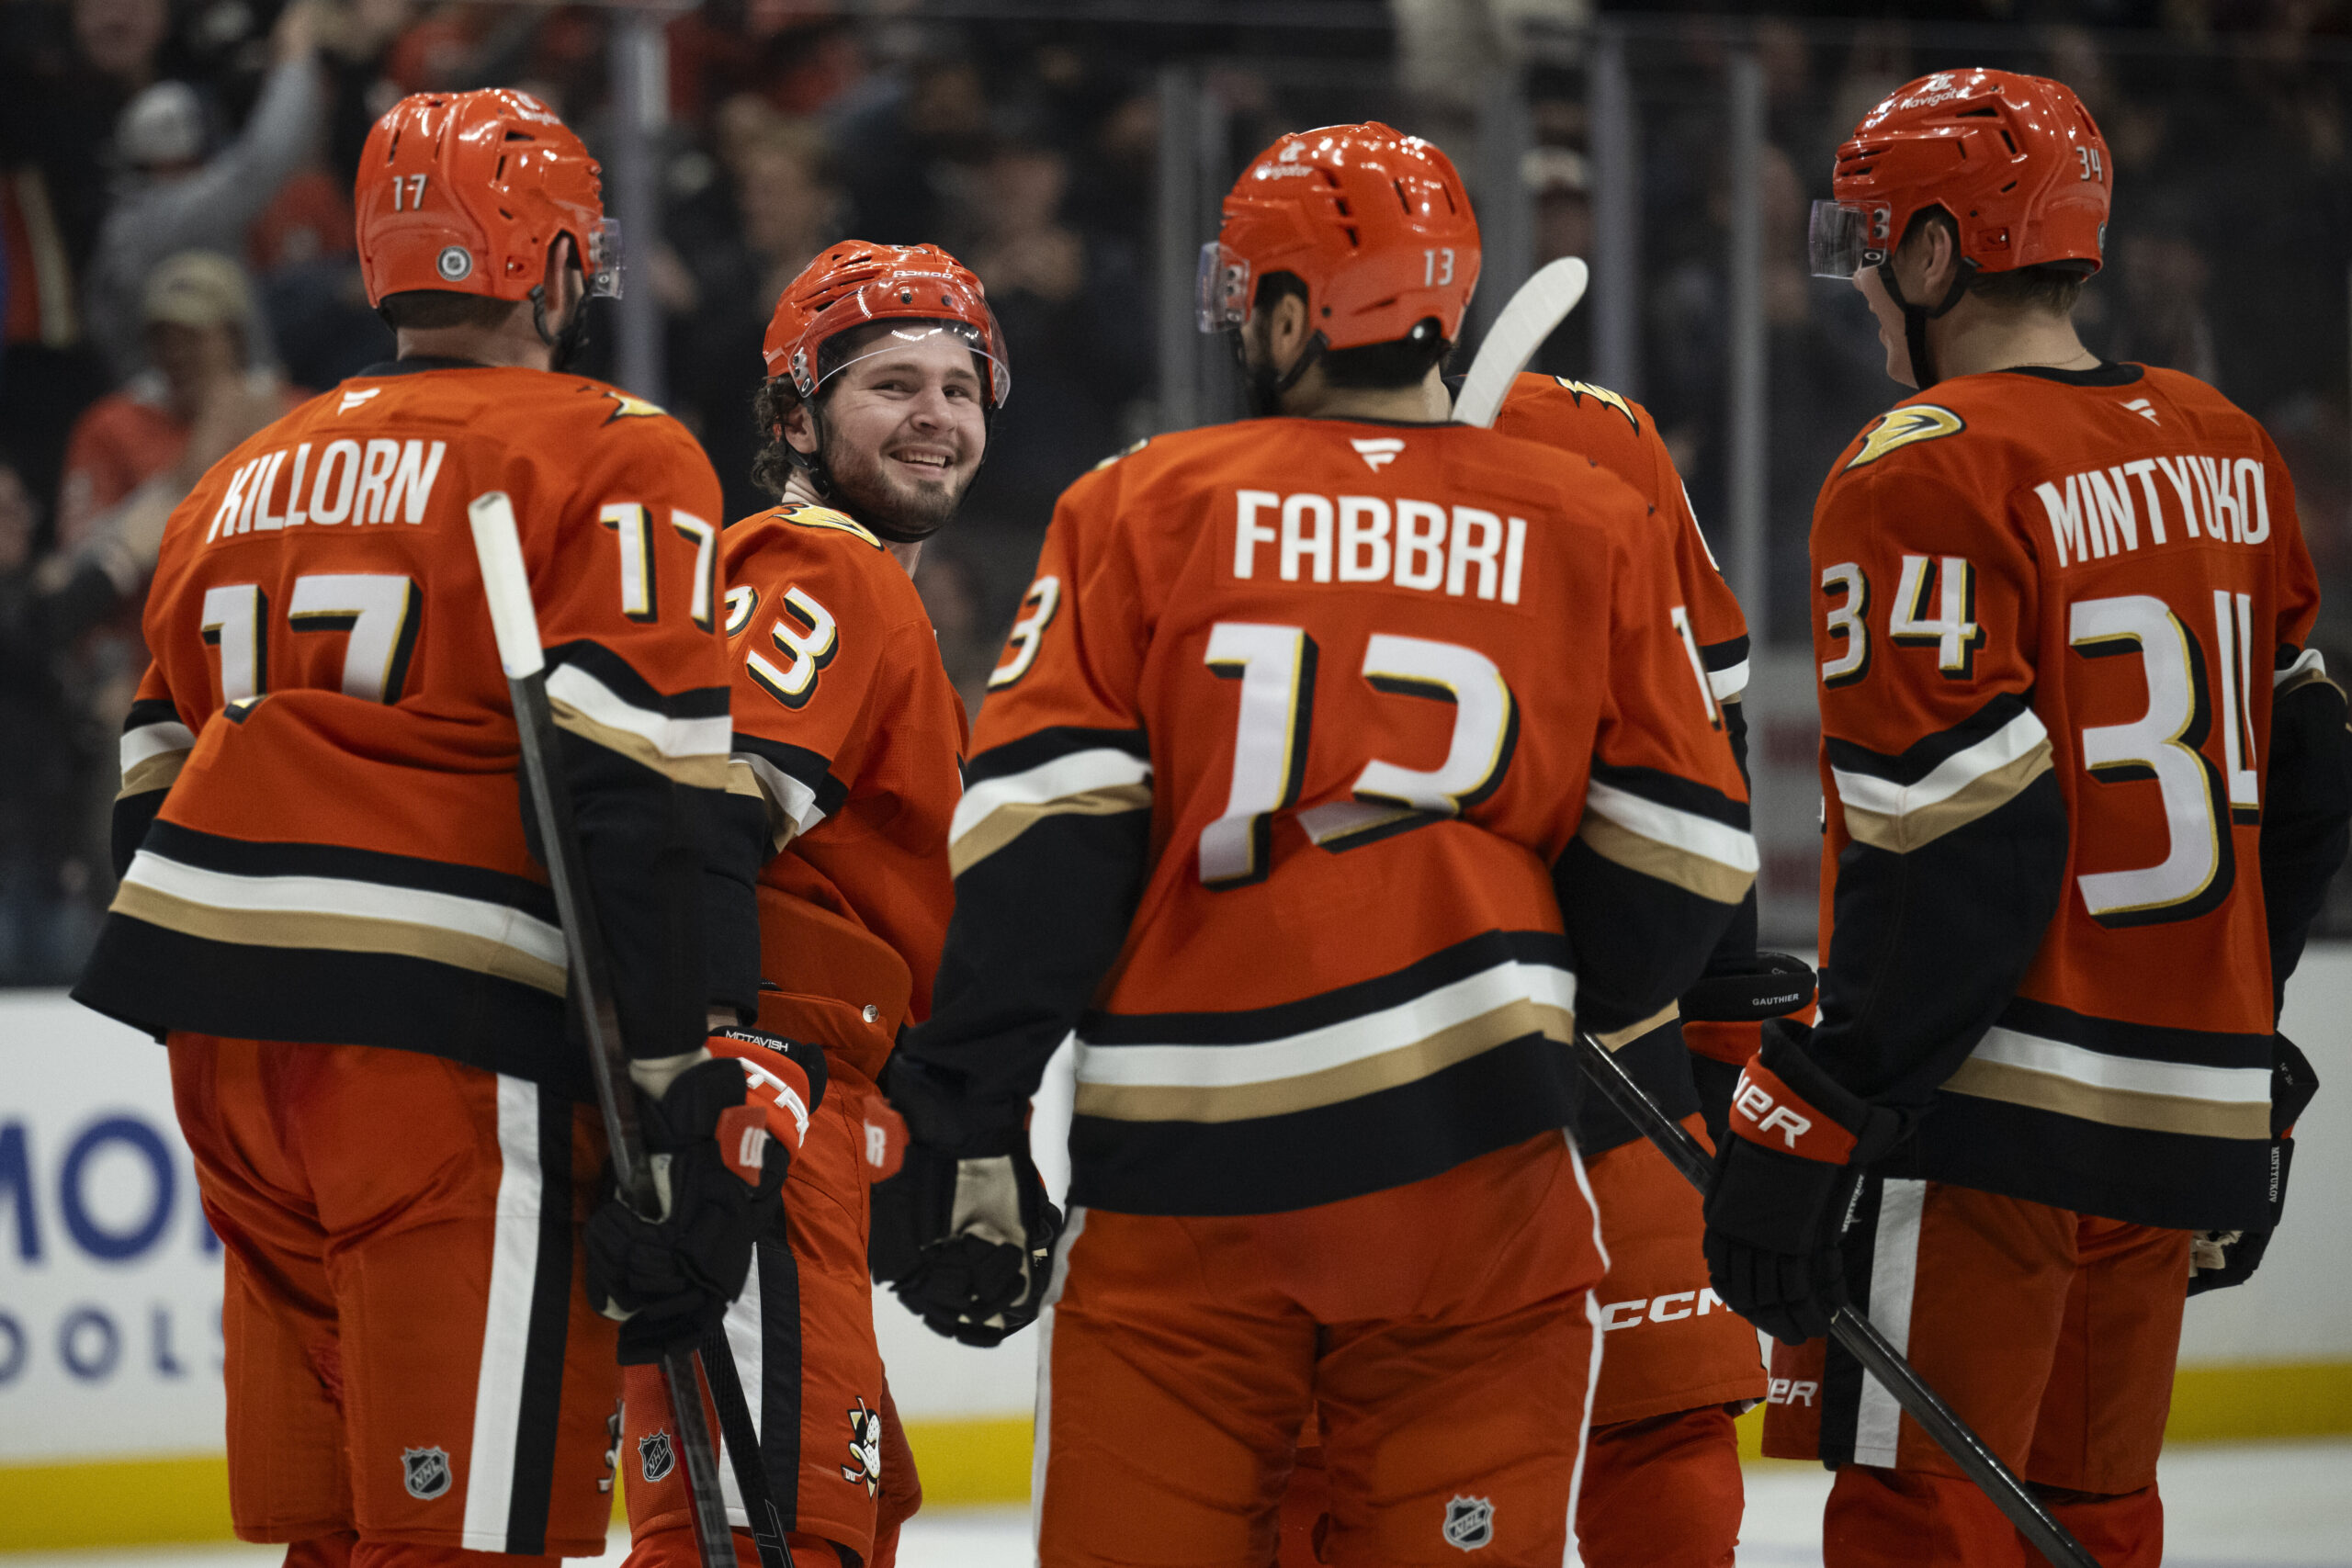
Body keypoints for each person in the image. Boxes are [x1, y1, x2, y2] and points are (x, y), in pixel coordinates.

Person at [881, 121, 1757, 1566]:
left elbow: (1045, 845)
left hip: (1188, 1194)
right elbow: (1686, 854)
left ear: (1291, 313)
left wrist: (969, 1108)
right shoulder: (1586, 514)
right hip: (1482, 1182)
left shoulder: (1142, 500)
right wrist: (1536, 985)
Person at [72, 87, 808, 1568]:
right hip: (444, 1045)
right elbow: (642, 792)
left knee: (344, 1527)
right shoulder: (610, 446)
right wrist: (676, 1078)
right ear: (545, 263)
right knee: (465, 1533)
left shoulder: (235, 481)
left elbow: (148, 789)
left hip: (230, 1055)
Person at [1702, 70, 2349, 1568]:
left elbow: (1959, 848)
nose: (1862, 281)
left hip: (1992, 1118)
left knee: (1929, 1526)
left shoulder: (1924, 465)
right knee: (2095, 1522)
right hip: (2177, 1121)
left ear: (1939, 253)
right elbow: (2314, 781)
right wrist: (2243, 1047)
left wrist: (1822, 1102)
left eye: (1874, 241)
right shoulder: (2228, 446)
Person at [1272, 371, 1804, 1568]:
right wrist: (1722, 1039)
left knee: (1367, 1473)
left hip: (1377, 1098)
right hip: (1610, 1064)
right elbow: (1707, 771)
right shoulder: (1596, 426)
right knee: (1651, 1440)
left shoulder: (1223, 483)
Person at [616, 239, 1002, 1568]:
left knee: (845, 1505)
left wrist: (935, 1129)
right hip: (767, 1105)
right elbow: (707, 822)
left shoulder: (829, 580)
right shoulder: (814, 564)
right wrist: (718, 1086)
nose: (938, 416)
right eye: (892, 382)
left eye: (961, 386)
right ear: (793, 416)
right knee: (766, 1531)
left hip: (812, 1107)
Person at [57, 250, 300, 551]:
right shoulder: (110, 426)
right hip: (163, 594)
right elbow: (79, 561)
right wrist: (199, 457)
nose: (175, 354)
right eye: (162, 339)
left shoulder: (296, 412)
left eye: (191, 338)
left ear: (234, 339)